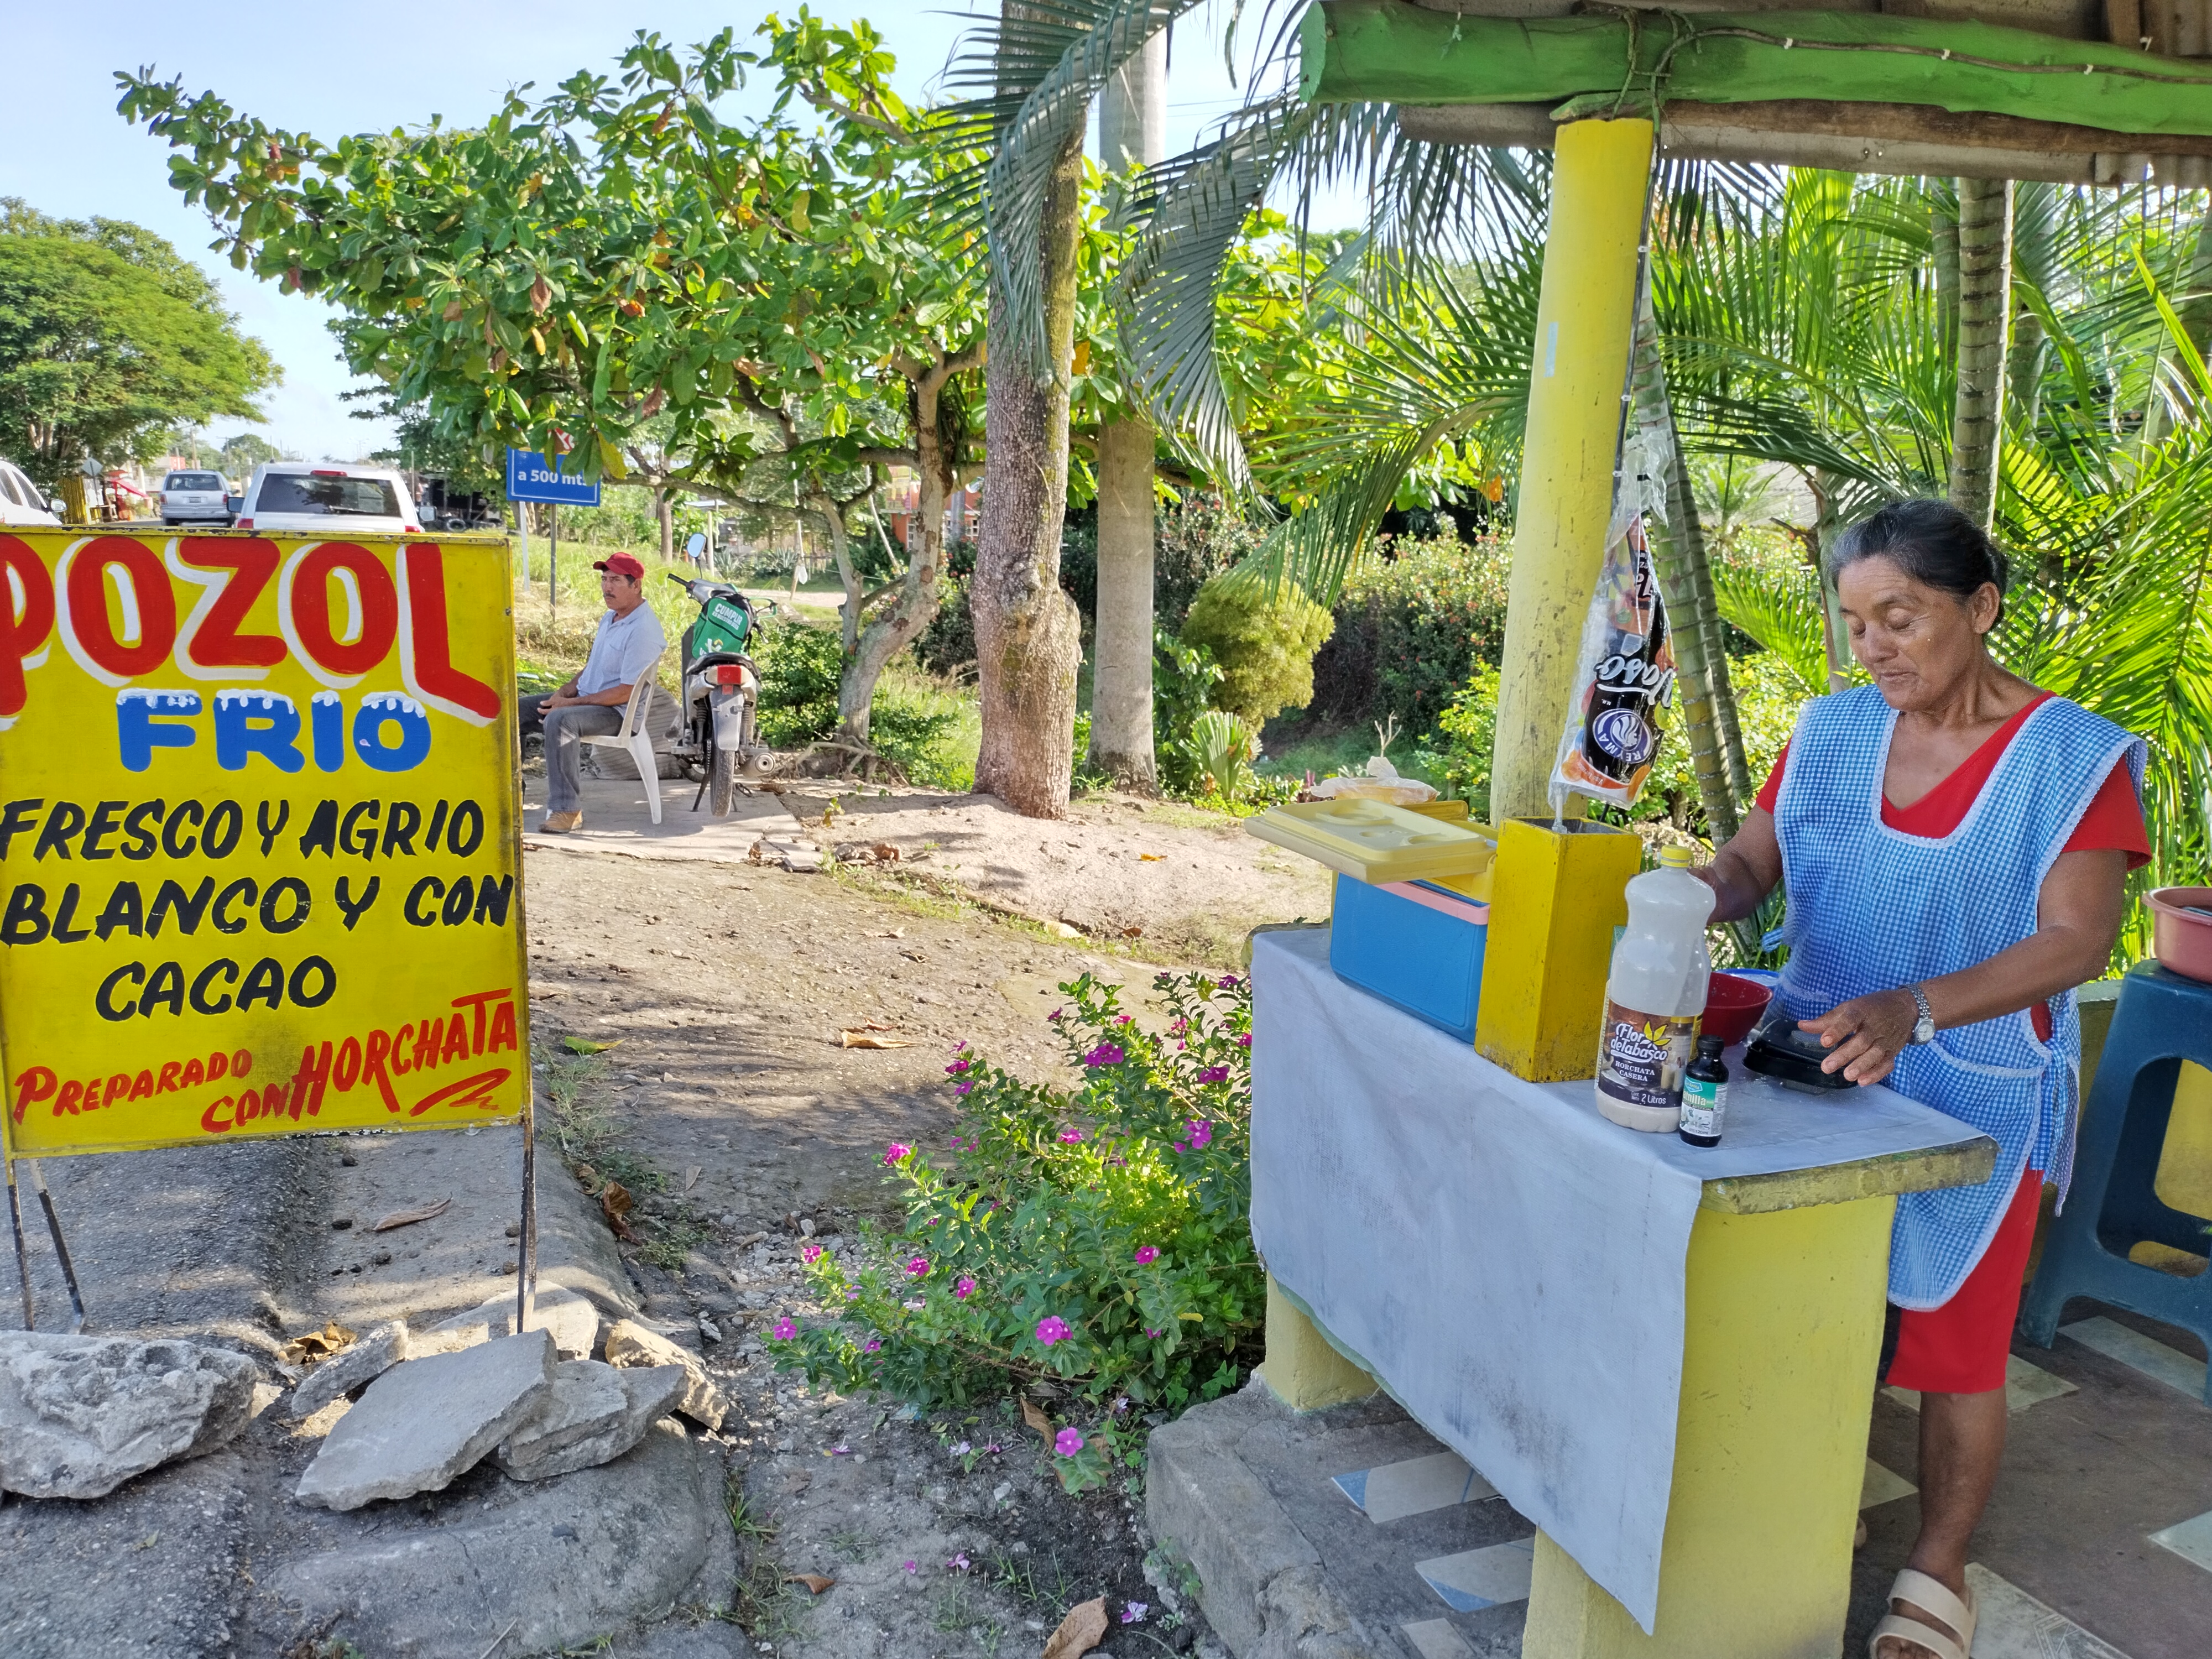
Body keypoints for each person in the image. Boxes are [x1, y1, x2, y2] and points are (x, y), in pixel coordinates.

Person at [1693, 499, 2147, 1659]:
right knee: (1809, 1295)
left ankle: (1935, 1564)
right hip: (1813, 1067)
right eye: (1855, 626)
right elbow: (1754, 859)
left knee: (1950, 1340)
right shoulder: (1831, 735)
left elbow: (2075, 942)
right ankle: (1806, 1497)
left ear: (1978, 609)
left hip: (1978, 1090)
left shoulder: (2070, 760)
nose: (1874, 649)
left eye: (1898, 618)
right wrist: (1686, 898)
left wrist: (1918, 1007)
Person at [520, 552, 666, 833]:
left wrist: (569, 704)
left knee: (561, 721)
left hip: (618, 713)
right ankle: (511, 793)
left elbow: (625, 692)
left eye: (615, 581)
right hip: (588, 702)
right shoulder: (610, 618)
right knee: (514, 710)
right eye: (604, 579)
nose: (607, 588)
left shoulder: (643, 629)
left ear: (636, 586)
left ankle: (567, 811)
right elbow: (593, 666)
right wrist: (563, 692)